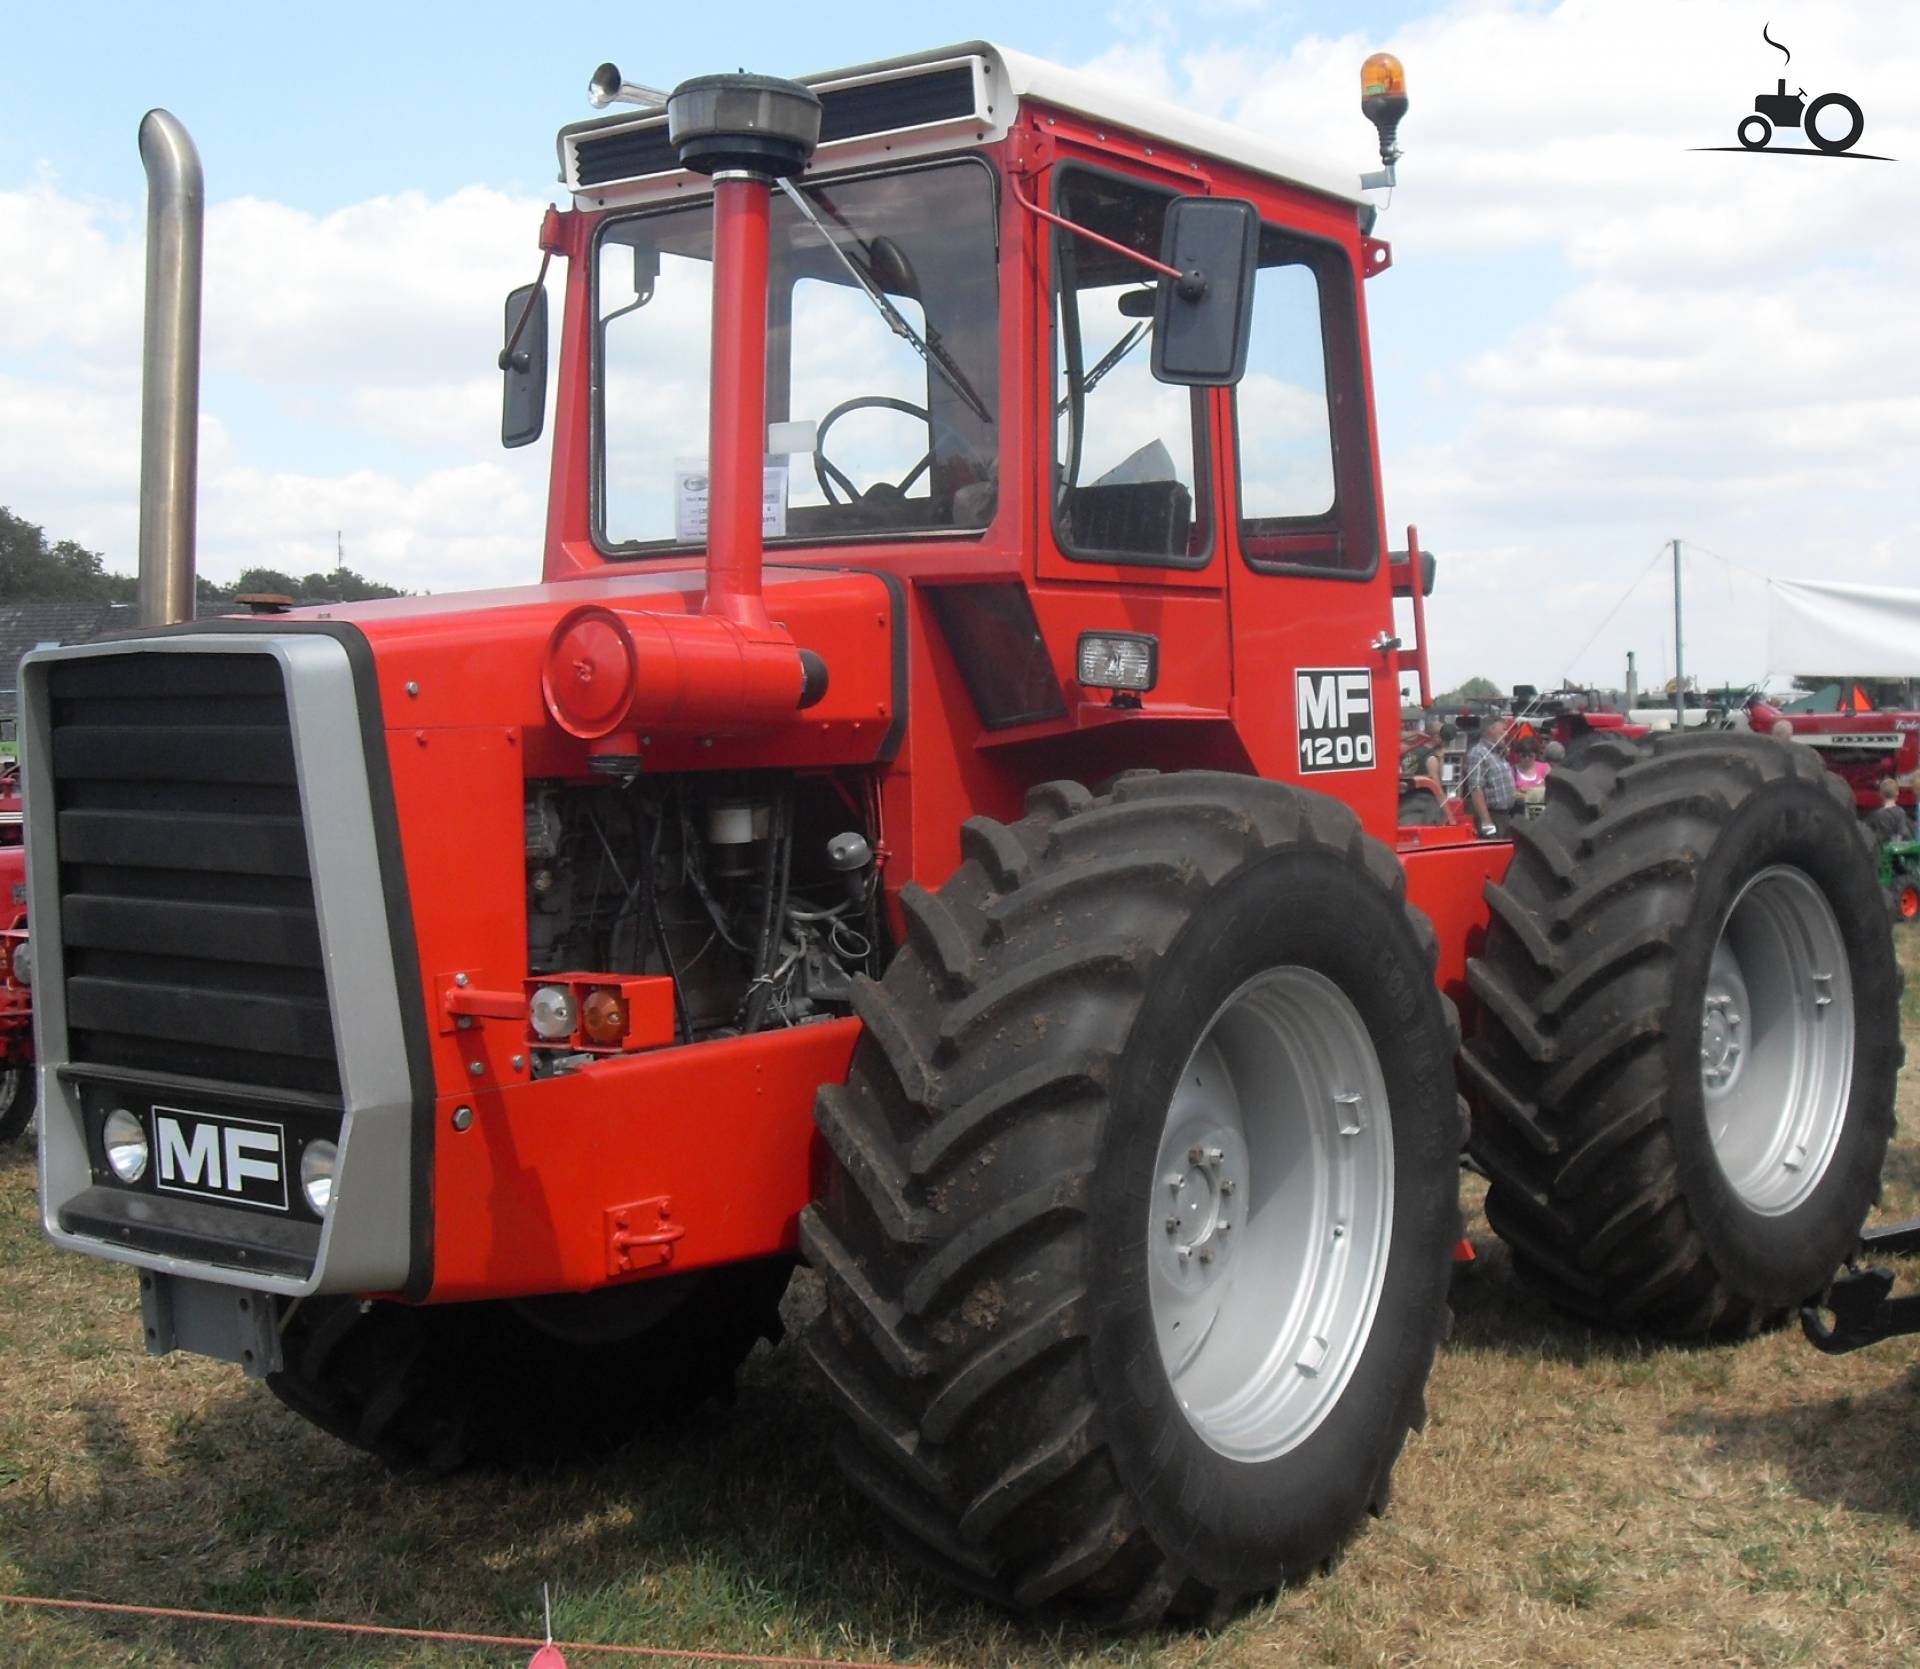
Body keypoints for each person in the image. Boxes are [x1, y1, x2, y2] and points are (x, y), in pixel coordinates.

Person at [1464, 716, 1517, 837]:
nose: (1506, 733)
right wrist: (1486, 822)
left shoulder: (1499, 753)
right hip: (1493, 816)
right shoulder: (1478, 753)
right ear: (1491, 730)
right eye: (1503, 729)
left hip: (1507, 816)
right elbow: (1476, 788)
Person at [1866, 778, 1913, 845]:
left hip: (1884, 849)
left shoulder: (1878, 814)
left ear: (1881, 794)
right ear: (1897, 793)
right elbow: (1901, 832)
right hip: (1899, 849)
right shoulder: (1901, 812)